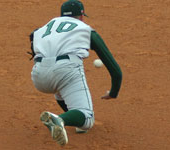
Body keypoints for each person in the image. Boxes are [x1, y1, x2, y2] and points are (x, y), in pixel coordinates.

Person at [28, 0, 122, 146]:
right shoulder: (84, 28)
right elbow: (116, 71)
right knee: (88, 117)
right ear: (82, 16)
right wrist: (113, 92)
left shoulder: (44, 27)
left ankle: (75, 120)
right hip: (65, 70)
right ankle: (61, 119)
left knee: (61, 87)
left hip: (39, 76)